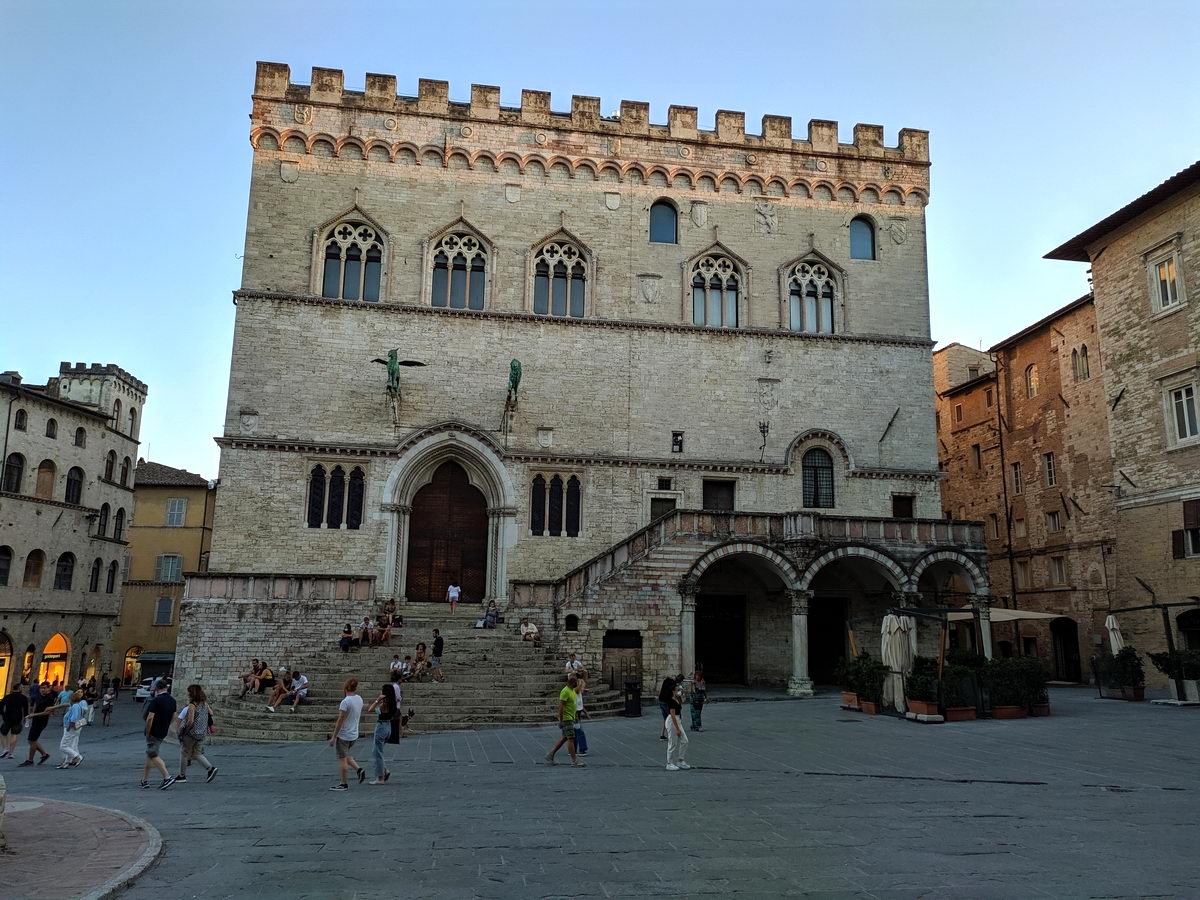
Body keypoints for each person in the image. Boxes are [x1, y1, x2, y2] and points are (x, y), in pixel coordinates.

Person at [328, 678, 366, 791]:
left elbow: (340, 720)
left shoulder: (345, 701)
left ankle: (343, 783)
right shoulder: (359, 698)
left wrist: (334, 736)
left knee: (342, 758)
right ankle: (359, 770)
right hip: (354, 734)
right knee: (344, 754)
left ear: (345, 688)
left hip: (344, 735)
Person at [176, 684, 218, 784]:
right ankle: (210, 768)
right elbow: (211, 713)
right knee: (197, 753)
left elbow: (190, 721)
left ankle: (182, 775)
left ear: (191, 694)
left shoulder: (192, 705)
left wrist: (185, 731)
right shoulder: (204, 704)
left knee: (184, 753)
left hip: (191, 733)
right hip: (202, 732)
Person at [142, 679, 178, 789]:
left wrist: (148, 731)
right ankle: (145, 780)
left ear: (157, 688)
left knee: (153, 754)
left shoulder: (156, 701)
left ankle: (167, 777)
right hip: (163, 730)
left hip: (154, 731)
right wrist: (166, 724)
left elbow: (150, 718)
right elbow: (174, 716)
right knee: (150, 754)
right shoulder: (172, 700)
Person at [545, 673, 585, 767]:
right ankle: (574, 761)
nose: (577, 684)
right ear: (572, 683)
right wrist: (561, 720)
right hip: (566, 719)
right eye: (576, 682)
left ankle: (550, 754)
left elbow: (573, 705)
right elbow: (561, 707)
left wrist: (575, 716)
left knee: (564, 738)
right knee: (571, 739)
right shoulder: (565, 691)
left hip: (571, 717)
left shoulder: (572, 691)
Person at [364, 678, 398, 786]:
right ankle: (385, 771)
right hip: (388, 727)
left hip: (381, 727)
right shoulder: (393, 704)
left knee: (377, 753)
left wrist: (377, 700)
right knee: (378, 751)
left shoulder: (383, 705)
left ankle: (380, 778)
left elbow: (370, 710)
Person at [19, 682, 57, 766]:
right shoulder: (40, 696)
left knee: (32, 740)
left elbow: (47, 712)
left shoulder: (49, 699)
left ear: (48, 688)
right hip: (36, 720)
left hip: (41, 721)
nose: (42, 690)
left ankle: (30, 760)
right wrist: (31, 714)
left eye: (44, 688)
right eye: (41, 688)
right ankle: (44, 754)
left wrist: (34, 715)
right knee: (32, 740)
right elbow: (35, 706)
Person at [0, 683, 30, 758]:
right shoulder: (23, 698)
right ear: (19, 688)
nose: (22, 689)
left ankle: (5, 749)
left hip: (7, 717)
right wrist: (25, 718)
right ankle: (11, 752)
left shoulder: (7, 697)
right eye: (22, 687)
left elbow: (0, 707)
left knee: (3, 733)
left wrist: (3, 715)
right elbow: (26, 709)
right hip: (18, 718)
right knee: (14, 734)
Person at [665, 685, 690, 772]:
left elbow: (681, 703)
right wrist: (677, 729)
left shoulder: (676, 698)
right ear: (672, 691)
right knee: (672, 743)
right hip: (672, 721)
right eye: (676, 690)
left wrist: (680, 696)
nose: (678, 691)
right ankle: (669, 763)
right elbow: (672, 715)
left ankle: (680, 760)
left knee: (685, 740)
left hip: (678, 719)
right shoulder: (671, 701)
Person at [574, 672, 589, 757]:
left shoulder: (579, 694)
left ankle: (573, 749)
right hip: (575, 714)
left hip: (578, 714)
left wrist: (586, 713)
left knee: (575, 733)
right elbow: (575, 706)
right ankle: (582, 749)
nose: (584, 688)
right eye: (583, 687)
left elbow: (581, 706)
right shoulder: (575, 695)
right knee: (580, 732)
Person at [657, 675, 677, 740]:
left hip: (661, 700)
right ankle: (671, 734)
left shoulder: (666, 681)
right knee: (671, 718)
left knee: (666, 718)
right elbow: (674, 695)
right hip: (666, 702)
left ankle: (662, 735)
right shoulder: (673, 684)